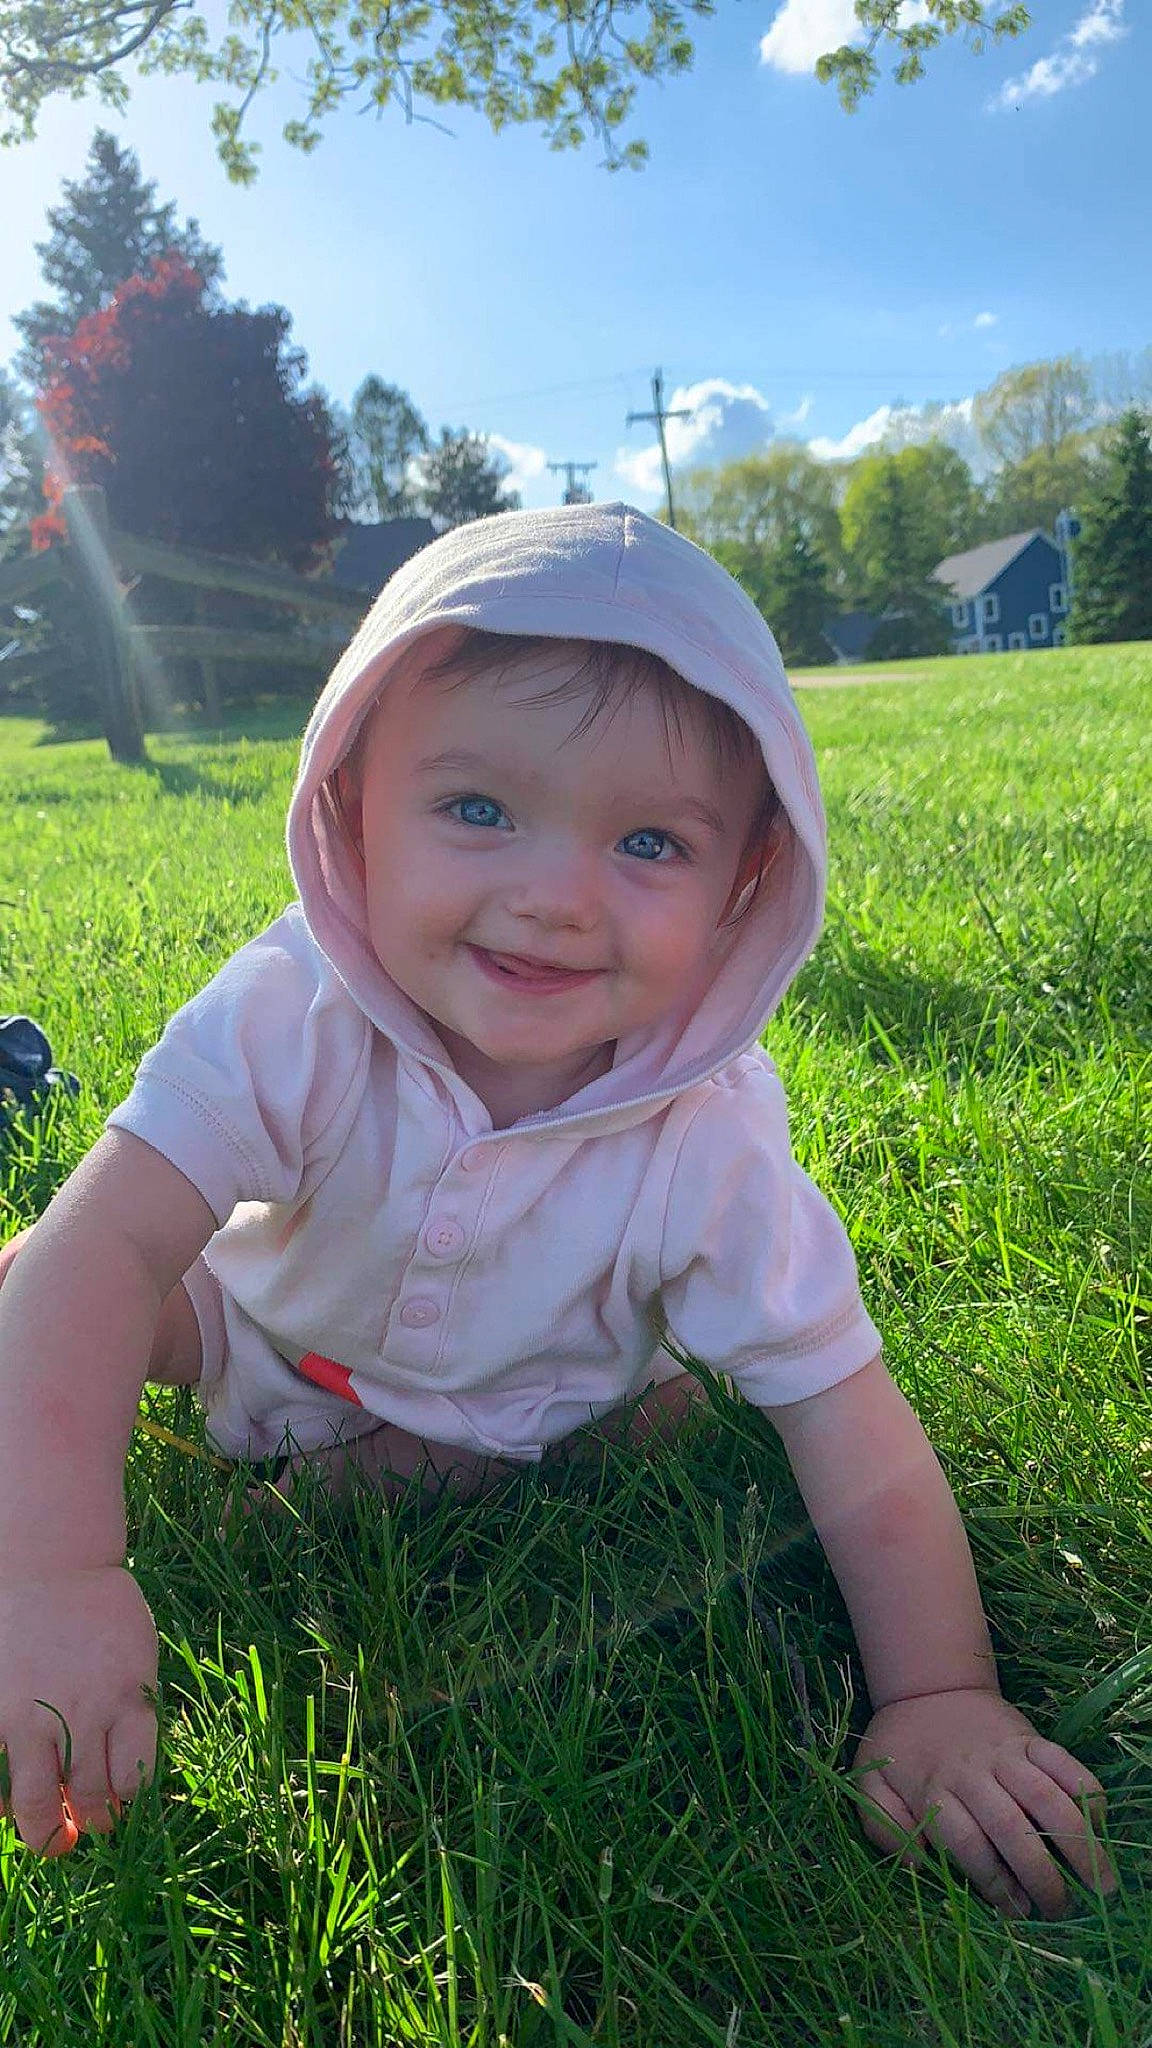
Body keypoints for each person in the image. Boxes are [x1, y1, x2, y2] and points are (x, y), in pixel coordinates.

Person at [0, 503, 1115, 1916]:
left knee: (631, 1426)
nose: (557, 899)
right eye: (478, 810)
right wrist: (51, 1569)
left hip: (524, 1407)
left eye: (651, 842)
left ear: (745, 885)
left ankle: (413, 1462)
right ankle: (262, 1428)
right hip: (257, 1325)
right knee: (56, 1276)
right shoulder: (297, 1011)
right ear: (352, 804)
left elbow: (845, 1408)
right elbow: (114, 1236)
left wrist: (945, 1691)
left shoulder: (704, 1144)